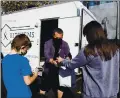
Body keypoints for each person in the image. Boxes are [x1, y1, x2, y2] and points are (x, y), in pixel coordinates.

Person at [57, 21, 119, 98]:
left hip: (93, 94)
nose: (86, 39)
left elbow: (71, 64)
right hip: (112, 94)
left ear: (90, 35)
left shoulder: (89, 50)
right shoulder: (115, 49)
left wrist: (62, 60)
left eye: (86, 35)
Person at [40, 28, 73, 98]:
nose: (59, 39)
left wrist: (67, 59)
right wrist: (52, 61)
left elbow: (68, 54)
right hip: (49, 68)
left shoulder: (64, 43)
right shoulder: (48, 43)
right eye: (57, 38)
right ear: (53, 36)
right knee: (44, 86)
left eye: (61, 38)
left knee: (61, 87)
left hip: (60, 69)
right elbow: (46, 54)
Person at [2, 34, 38, 98]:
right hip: (24, 94)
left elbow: (14, 75)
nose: (26, 51)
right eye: (26, 49)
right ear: (22, 47)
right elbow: (28, 82)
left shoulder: (5, 59)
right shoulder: (23, 60)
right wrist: (35, 74)